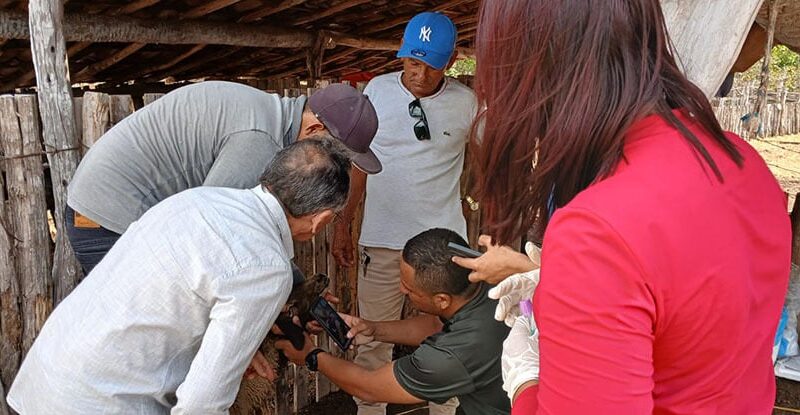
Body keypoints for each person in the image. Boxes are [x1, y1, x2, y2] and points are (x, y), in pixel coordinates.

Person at [456, 1, 792, 414]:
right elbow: (694, 311)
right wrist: (558, 288)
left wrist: (528, 381)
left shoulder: (597, 231)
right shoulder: (742, 161)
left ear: (534, 73)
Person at [7, 139, 351, 414]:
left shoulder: (196, 199)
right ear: (320, 220)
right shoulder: (266, 269)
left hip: (47, 376)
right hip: (103, 402)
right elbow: (202, 403)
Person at [66, 81, 380, 274]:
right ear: (314, 130)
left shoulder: (269, 114)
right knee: (148, 342)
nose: (333, 166)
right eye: (334, 154)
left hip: (126, 210)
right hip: (109, 218)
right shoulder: (259, 140)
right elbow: (212, 232)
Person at [331, 12, 477, 415]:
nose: (419, 73)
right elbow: (360, 164)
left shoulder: (466, 103)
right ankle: (370, 410)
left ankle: (445, 410)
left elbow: (482, 163)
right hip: (380, 240)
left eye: (430, 64)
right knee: (370, 337)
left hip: (444, 248)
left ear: (448, 63)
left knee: (447, 337)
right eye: (412, 62)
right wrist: (345, 224)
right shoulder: (377, 91)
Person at [277, 228, 511, 415]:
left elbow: (369, 387)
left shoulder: (453, 356)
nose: (401, 289)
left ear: (441, 300)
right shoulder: (490, 276)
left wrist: (312, 356)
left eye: (408, 289)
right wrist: (374, 329)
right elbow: (435, 326)